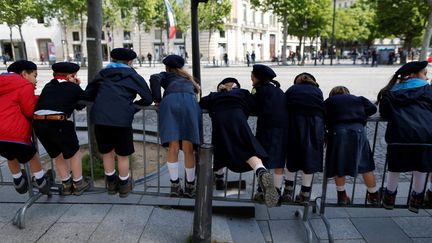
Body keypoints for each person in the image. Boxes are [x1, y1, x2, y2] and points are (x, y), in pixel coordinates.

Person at [200, 78, 279, 207]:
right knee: (248, 149)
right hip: (238, 120)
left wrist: (218, 95)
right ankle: (261, 171)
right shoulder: (243, 92)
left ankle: (219, 179)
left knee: (221, 148)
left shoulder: (215, 95)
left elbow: (201, 103)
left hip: (220, 122)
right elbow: (255, 105)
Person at [84, 48, 152, 198]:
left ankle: (111, 184)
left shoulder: (102, 74)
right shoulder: (133, 76)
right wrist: (130, 108)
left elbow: (88, 95)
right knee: (122, 155)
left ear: (113, 60)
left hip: (100, 119)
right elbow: (147, 98)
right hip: (121, 120)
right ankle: (124, 185)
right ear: (130, 62)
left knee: (106, 152)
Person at [377, 61, 432, 213]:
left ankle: (389, 197)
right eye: (425, 74)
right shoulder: (428, 90)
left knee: (394, 167)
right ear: (414, 75)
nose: (427, 78)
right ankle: (416, 200)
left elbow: (385, 112)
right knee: (420, 168)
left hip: (399, 135)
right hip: (425, 136)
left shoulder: (390, 91)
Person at [33, 62, 90, 196]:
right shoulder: (72, 87)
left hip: (39, 124)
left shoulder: (48, 86)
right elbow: (83, 102)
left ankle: (66, 184)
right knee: (74, 152)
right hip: (58, 123)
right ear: (71, 75)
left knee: (57, 154)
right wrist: (76, 85)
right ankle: (78, 183)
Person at [149, 54, 201, 198]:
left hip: (170, 102)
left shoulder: (165, 75)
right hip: (189, 103)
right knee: (188, 148)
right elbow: (197, 90)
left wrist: (157, 99)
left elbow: (154, 78)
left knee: (173, 146)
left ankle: (175, 186)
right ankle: (190, 186)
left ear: (167, 67)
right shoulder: (188, 78)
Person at [0, 60, 52, 195]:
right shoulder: (24, 85)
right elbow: (29, 110)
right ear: (24, 73)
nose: (36, 81)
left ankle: (18, 181)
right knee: (32, 155)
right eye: (34, 76)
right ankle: (41, 181)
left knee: (10, 156)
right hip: (15, 133)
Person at [324, 86, 379, 205]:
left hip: (337, 132)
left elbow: (323, 115)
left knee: (339, 165)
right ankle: (374, 195)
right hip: (358, 131)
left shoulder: (330, 101)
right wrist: (360, 114)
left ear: (332, 94)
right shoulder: (358, 99)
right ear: (347, 93)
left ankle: (342, 196)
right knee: (365, 164)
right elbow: (373, 108)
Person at [249, 65, 288, 204]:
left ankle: (262, 190)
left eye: (252, 75)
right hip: (283, 127)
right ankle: (277, 191)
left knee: (262, 157)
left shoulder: (258, 90)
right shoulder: (279, 90)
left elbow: (252, 106)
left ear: (258, 77)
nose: (251, 77)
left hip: (267, 127)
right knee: (279, 159)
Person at [284, 73, 325, 204]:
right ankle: (305, 194)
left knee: (292, 155)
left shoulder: (292, 89)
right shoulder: (317, 90)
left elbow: (284, 106)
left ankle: (288, 190)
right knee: (310, 157)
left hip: (295, 123)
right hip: (315, 124)